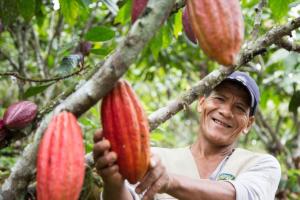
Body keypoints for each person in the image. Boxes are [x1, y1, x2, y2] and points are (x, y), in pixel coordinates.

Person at [93, 71, 281, 200]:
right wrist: (113, 183)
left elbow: (239, 195)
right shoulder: (156, 159)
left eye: (239, 108)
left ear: (248, 123)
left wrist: (169, 182)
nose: (226, 111)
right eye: (219, 99)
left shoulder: (262, 165)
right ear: (201, 104)